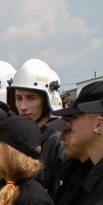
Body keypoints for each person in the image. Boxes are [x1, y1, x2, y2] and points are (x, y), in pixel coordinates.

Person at [7, 59, 65, 193]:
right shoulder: (18, 138)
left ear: (47, 100)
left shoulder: (57, 141)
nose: (23, 106)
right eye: (18, 98)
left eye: (31, 98)